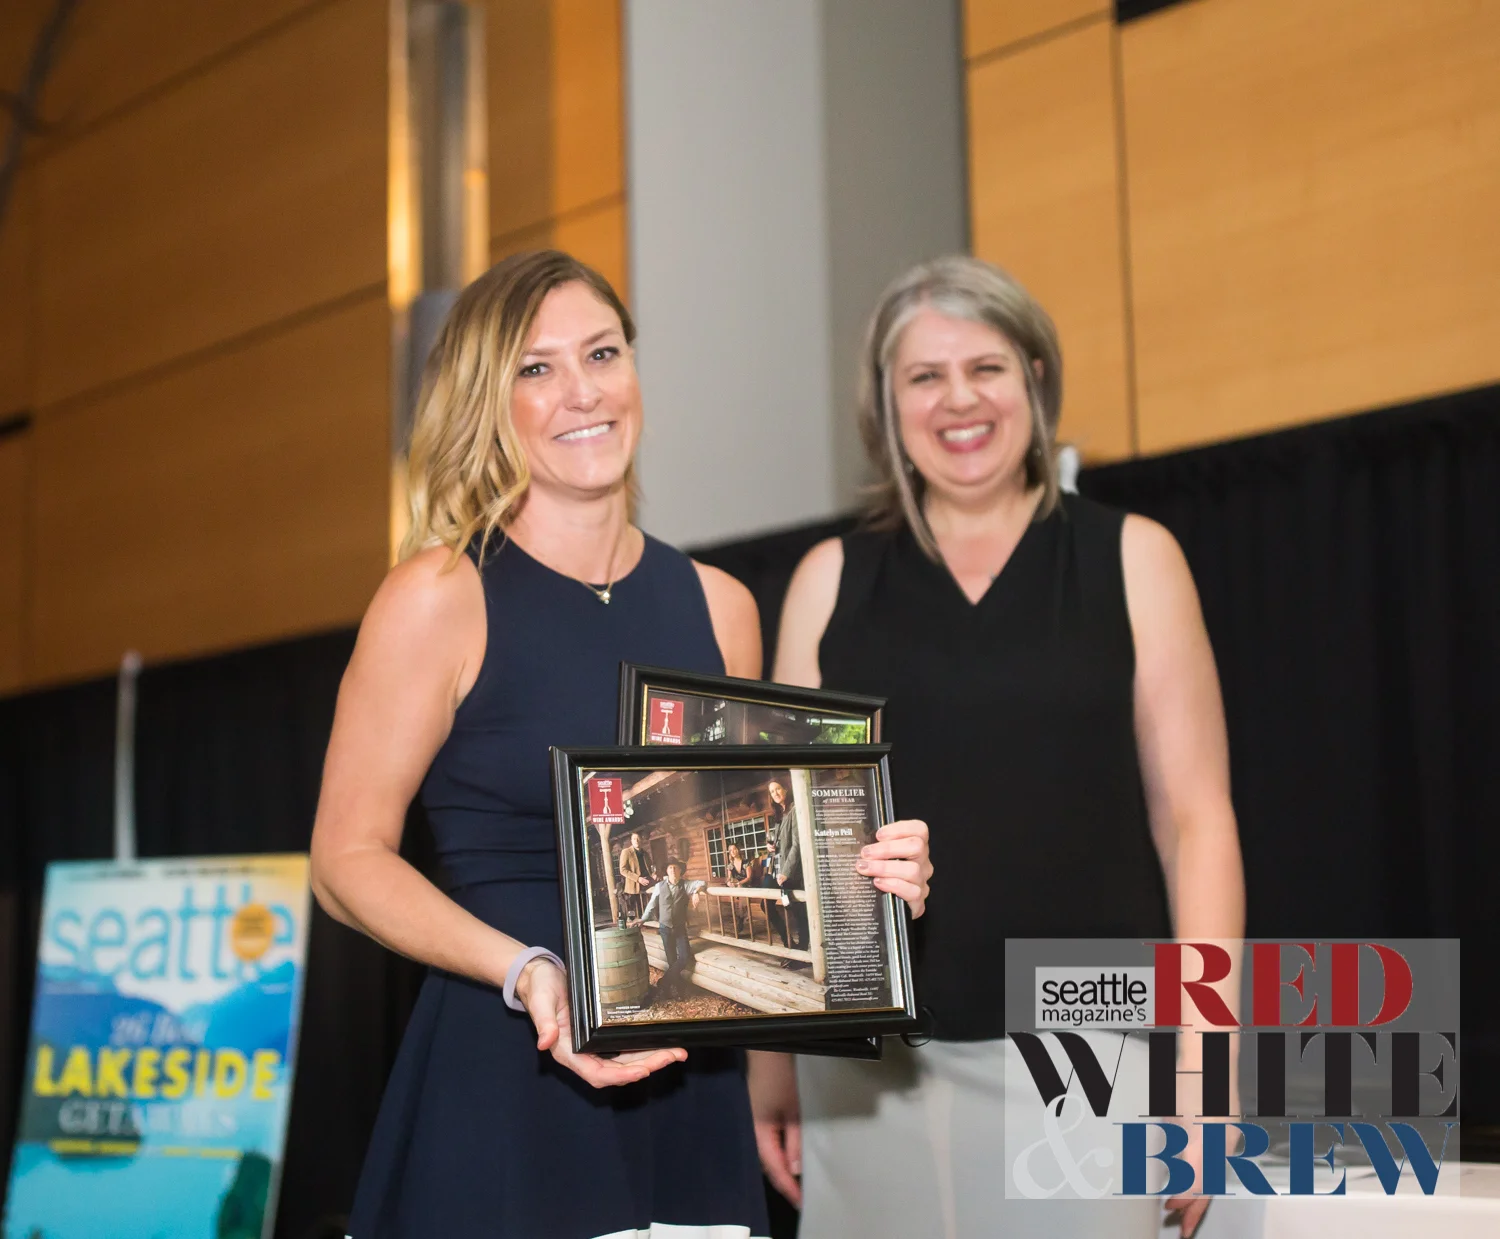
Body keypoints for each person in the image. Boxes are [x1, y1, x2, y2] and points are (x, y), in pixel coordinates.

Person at [307, 249, 931, 1239]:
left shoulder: (720, 607)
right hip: (507, 1072)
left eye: (602, 353)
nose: (583, 390)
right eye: (537, 367)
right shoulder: (439, 597)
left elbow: (749, 864)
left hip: (691, 1091)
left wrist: (867, 882)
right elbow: (344, 860)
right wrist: (526, 970)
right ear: (488, 401)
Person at [748, 256, 1244, 1239]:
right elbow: (781, 851)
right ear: (886, 406)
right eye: (925, 376)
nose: (959, 400)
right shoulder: (826, 582)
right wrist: (770, 1068)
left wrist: (1207, 1063)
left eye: (986, 367)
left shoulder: (1134, 557)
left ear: (1035, 378)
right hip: (867, 1072)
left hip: (1092, 1050)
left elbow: (1196, 824)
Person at [642, 859, 702, 997]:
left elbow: (701, 883)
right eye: (670, 868)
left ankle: (664, 983)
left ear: (680, 871)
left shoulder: (685, 885)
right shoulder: (659, 886)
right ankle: (678, 989)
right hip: (665, 928)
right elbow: (651, 904)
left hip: (680, 928)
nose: (673, 870)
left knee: (684, 957)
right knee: (672, 960)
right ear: (667, 871)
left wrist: (696, 892)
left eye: (676, 868)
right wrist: (643, 919)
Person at [766, 780, 808, 949]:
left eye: (777, 789)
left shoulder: (795, 809)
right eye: (772, 791)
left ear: (786, 789)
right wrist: (770, 846)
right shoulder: (779, 814)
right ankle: (788, 943)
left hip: (791, 869)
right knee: (766, 904)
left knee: (797, 910)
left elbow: (797, 845)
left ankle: (802, 948)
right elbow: (779, 843)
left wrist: (786, 872)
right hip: (776, 868)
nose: (775, 793)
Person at [618, 830, 654, 923]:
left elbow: (650, 867)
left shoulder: (645, 853)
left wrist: (654, 873)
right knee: (632, 908)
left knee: (649, 902)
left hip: (646, 882)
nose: (636, 841)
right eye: (634, 839)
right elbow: (623, 870)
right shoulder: (626, 852)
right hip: (633, 884)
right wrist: (638, 878)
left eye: (638, 839)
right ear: (631, 841)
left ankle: (648, 922)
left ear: (641, 840)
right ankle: (632, 923)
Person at [724, 842, 752, 935]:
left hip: (747, 885)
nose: (732, 851)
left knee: (740, 889)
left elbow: (749, 878)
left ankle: (740, 918)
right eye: (730, 850)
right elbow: (728, 878)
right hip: (737, 887)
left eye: (734, 849)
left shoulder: (746, 862)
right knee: (734, 889)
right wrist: (728, 882)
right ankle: (741, 917)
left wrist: (739, 883)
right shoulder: (730, 865)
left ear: (738, 850)